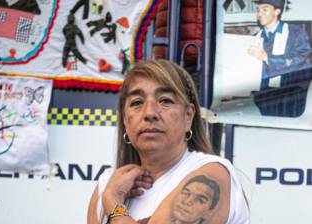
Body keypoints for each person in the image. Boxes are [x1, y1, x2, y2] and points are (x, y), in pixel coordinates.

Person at [87, 59, 249, 224]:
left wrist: (113, 203)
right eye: (137, 103)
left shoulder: (212, 173)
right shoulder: (107, 184)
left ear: (188, 116)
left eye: (165, 101)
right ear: (125, 121)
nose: (150, 113)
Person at [248, 0, 312, 117]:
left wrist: (268, 58)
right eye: (258, 10)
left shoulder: (295, 33)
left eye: (265, 9)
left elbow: (302, 57)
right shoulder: (255, 38)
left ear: (277, 11)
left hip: (291, 96)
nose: (259, 14)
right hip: (264, 97)